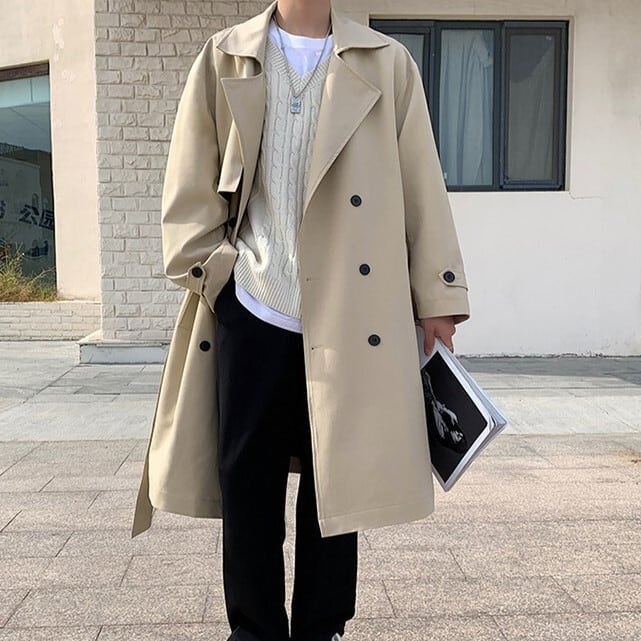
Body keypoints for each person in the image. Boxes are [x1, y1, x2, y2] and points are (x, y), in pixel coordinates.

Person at [132, 1, 471, 640]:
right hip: (251, 307)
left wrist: (438, 296)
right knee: (247, 486)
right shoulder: (225, 55)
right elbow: (190, 185)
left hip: (351, 315)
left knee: (336, 487)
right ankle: (253, 631)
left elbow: (421, 184)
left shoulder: (387, 62)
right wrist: (219, 279)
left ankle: (323, 629)